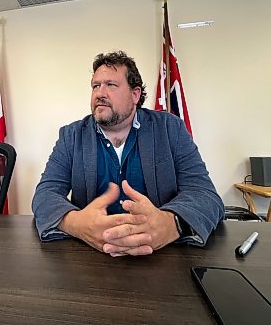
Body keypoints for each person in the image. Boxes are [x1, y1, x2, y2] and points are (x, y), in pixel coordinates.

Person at [32, 51, 224, 256]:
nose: (100, 93)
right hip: (89, 258)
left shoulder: (170, 129)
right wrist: (76, 223)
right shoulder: (71, 135)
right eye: (95, 86)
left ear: (135, 94)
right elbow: (45, 194)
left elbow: (205, 195)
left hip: (162, 257)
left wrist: (170, 224)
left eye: (111, 85)